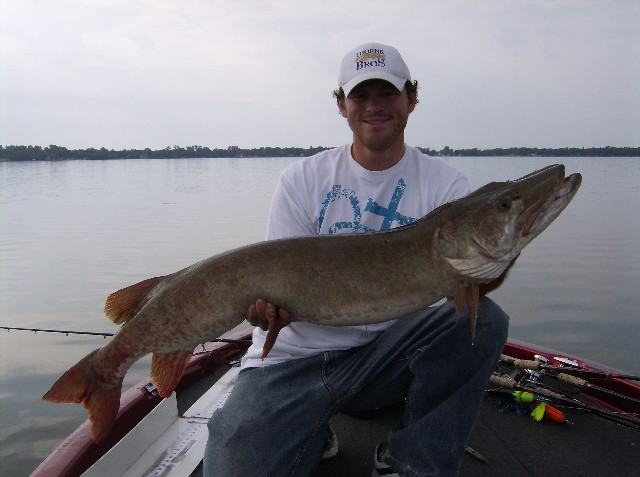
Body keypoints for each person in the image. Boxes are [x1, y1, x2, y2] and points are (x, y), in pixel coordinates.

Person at [203, 42, 509, 477]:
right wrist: (265, 309)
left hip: (388, 359)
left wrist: (503, 247)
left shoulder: (446, 186)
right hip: (294, 361)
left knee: (485, 321)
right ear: (341, 105)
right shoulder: (301, 180)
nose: (374, 106)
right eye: (360, 95)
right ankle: (308, 426)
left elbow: (470, 285)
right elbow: (276, 284)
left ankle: (412, 459)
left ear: (411, 99)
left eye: (387, 93)